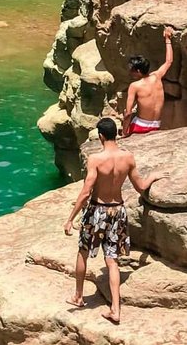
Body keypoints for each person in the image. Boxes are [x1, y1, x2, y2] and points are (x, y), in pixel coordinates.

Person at [63, 117, 168, 324]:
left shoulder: (96, 159)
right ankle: (115, 310)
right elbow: (139, 186)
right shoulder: (127, 157)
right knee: (112, 261)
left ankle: (78, 296)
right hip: (117, 211)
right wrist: (153, 177)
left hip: (97, 211)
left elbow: (86, 192)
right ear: (116, 134)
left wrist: (70, 218)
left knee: (83, 252)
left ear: (101, 136)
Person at [122, 27, 174, 136]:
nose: (130, 73)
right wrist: (167, 39)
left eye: (132, 71)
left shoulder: (134, 86)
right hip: (156, 125)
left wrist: (124, 133)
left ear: (138, 71)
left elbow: (128, 113)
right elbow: (169, 61)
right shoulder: (157, 76)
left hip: (140, 126)